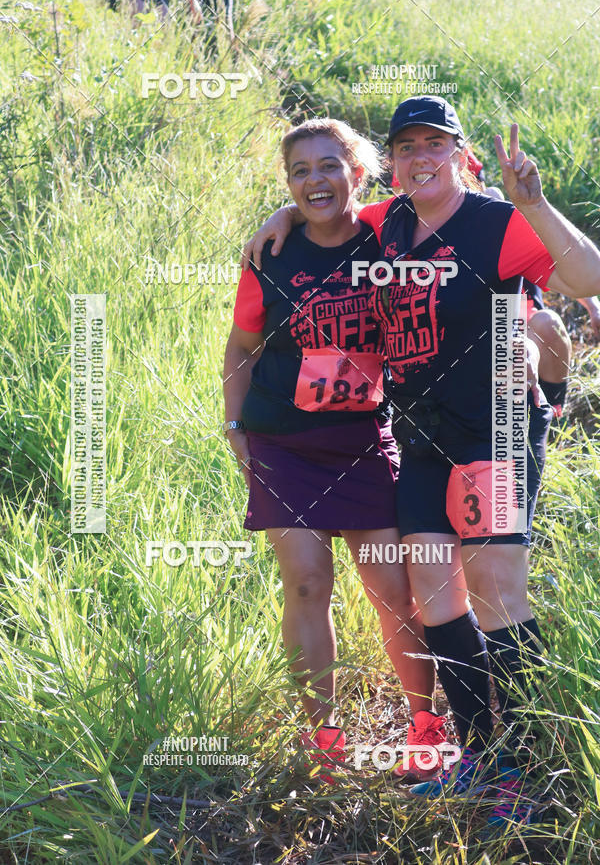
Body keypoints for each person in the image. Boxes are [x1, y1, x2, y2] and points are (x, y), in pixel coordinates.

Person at [239, 96, 600, 827]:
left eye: (435, 143)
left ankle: (526, 767)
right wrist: (272, 222)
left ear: (463, 156)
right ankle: (479, 751)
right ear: (391, 164)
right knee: (436, 594)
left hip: (494, 424)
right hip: (422, 433)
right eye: (406, 146)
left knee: (496, 589)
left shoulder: (498, 223)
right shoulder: (386, 225)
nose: (419, 157)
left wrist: (534, 203)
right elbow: (324, 215)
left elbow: (586, 278)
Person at [223, 117, 453, 785]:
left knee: (391, 588)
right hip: (281, 440)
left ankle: (426, 726)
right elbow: (241, 348)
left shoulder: (394, 236)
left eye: (330, 166)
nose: (314, 181)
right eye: (298, 172)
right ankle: (322, 735)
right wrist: (235, 427)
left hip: (360, 440)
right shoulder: (270, 254)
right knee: (306, 582)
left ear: (358, 171)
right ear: (287, 183)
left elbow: (440, 199)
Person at [468, 151, 600, 420]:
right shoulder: (439, 235)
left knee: (547, 322)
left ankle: (549, 414)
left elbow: (565, 268)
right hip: (475, 335)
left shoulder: (513, 225)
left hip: (525, 326)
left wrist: (594, 308)